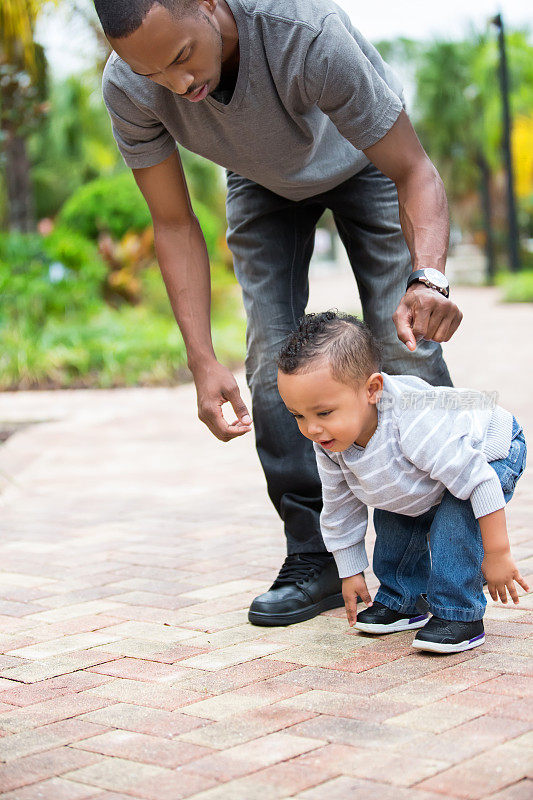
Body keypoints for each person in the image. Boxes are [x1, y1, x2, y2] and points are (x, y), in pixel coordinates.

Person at [94, 0, 464, 626]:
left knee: (404, 342)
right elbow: (174, 223)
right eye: (156, 75)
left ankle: (446, 549)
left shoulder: (303, 32)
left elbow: (413, 169)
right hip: (259, 183)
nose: (179, 87)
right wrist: (200, 359)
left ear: (210, 5)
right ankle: (314, 557)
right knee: (271, 358)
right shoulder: (132, 84)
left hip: (363, 161)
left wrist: (429, 278)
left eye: (182, 57)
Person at [276, 311, 529, 652]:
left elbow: (479, 481)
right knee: (392, 508)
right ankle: (404, 600)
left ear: (372, 390)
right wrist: (350, 573)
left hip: (489, 447)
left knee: (454, 519)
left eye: (323, 413)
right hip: (438, 464)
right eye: (298, 416)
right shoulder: (330, 441)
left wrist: (497, 554)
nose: (311, 429)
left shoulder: (413, 423)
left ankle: (459, 613)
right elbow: (339, 508)